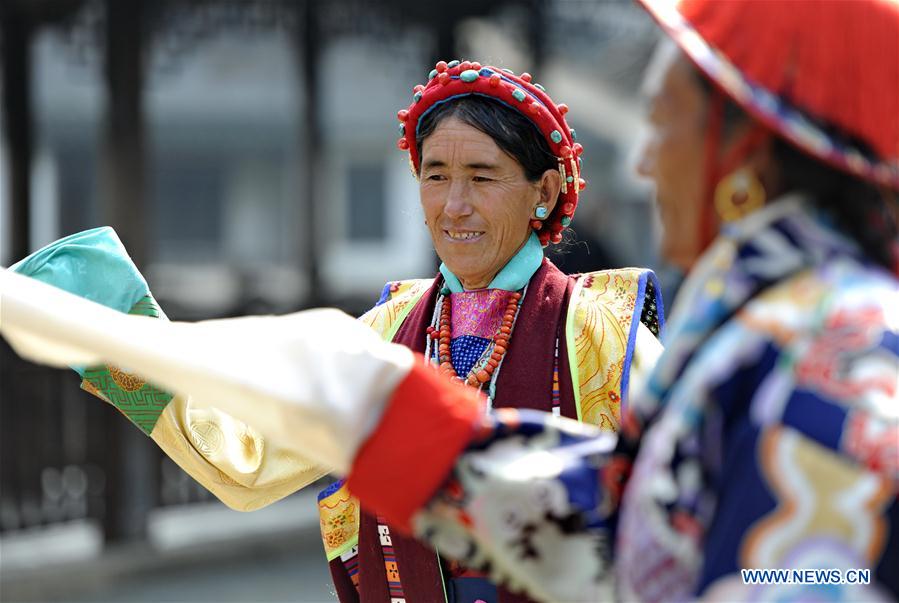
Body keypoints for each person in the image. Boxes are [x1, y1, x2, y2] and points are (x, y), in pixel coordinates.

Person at [5, 0, 895, 600]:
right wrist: (117, 337)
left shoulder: (822, 345)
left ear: (748, 145)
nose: (647, 158)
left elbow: (776, 574)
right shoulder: (769, 325)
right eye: (436, 176)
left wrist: (372, 410)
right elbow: (634, 526)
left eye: (665, 121)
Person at [2, 61, 663, 602]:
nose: (453, 205)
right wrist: (113, 338)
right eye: (435, 176)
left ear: (543, 191)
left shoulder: (602, 332)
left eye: (481, 177)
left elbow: (683, 515)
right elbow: (247, 458)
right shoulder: (386, 328)